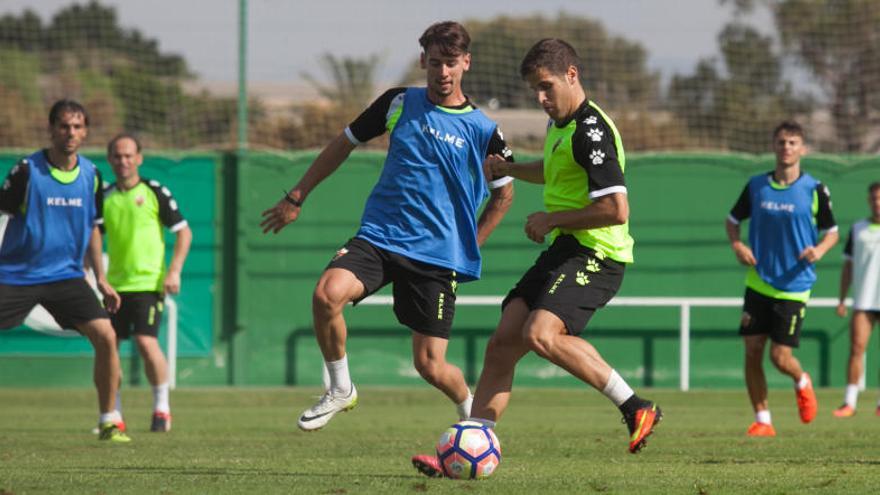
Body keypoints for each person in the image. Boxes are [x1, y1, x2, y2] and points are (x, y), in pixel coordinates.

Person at [412, 38, 661, 477]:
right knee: (504, 340)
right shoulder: (560, 126)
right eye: (535, 91)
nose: (541, 99)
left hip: (598, 252)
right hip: (568, 246)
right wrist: (510, 170)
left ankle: (635, 406)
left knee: (541, 334)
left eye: (547, 87)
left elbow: (616, 208)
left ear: (571, 75)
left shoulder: (591, 130)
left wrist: (550, 218)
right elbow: (553, 169)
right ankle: (470, 442)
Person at [260, 21, 514, 431]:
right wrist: (297, 195)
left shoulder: (484, 131)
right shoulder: (398, 102)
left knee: (430, 365)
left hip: (436, 256)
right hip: (380, 238)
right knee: (326, 296)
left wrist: (470, 245)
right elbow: (343, 143)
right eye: (435, 63)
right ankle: (341, 388)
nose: (442, 72)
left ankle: (469, 409)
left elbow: (504, 195)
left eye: (451, 63)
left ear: (466, 63)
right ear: (422, 61)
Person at [0, 100, 130, 442]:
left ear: (85, 132)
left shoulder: (91, 175)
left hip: (65, 277)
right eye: (63, 126)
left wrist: (101, 279)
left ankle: (109, 419)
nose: (70, 133)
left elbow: (93, 228)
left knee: (106, 336)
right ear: (51, 130)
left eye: (77, 127)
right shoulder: (27, 170)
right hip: (16, 275)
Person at [725, 120, 838, 437]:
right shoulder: (756, 186)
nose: (786, 148)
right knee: (751, 351)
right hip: (759, 281)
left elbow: (832, 231)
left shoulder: (815, 190)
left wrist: (820, 250)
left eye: (792, 143)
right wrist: (737, 245)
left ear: (803, 149)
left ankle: (801, 380)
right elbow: (732, 220)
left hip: (795, 286)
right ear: (773, 147)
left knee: (779, 356)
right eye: (781, 142)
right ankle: (763, 420)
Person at [102, 133, 192, 432]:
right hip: (114, 286)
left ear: (139, 158)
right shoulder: (103, 196)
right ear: (109, 160)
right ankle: (112, 414)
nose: (123, 161)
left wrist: (174, 271)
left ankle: (162, 409)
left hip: (148, 284)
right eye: (117, 156)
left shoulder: (154, 191)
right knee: (108, 347)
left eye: (129, 155)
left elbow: (184, 232)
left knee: (145, 341)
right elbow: (89, 238)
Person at [832, 181, 880, 418]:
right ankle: (849, 402)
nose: (878, 203)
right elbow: (848, 266)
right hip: (864, 300)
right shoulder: (858, 229)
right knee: (857, 348)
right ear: (868, 200)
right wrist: (842, 299)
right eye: (874, 198)